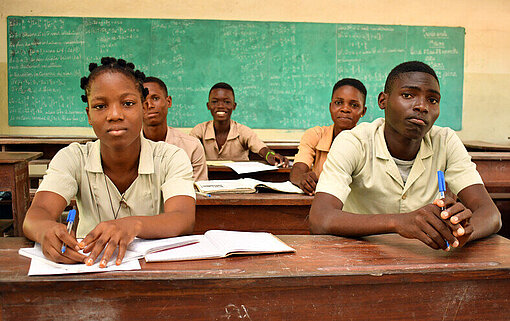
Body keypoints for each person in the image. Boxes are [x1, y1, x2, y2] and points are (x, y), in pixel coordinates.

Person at [23, 57, 196, 267]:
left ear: (143, 107)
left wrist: (134, 225)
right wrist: (45, 231)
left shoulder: (170, 158)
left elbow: (184, 218)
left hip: (153, 271)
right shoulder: (73, 158)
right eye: (100, 106)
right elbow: (36, 215)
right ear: (88, 114)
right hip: (89, 268)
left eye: (128, 104)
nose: (114, 115)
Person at [309, 61, 501, 250]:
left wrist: (462, 232)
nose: (422, 107)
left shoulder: (445, 141)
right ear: (383, 101)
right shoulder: (354, 142)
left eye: (432, 100)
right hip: (360, 255)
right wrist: (398, 222)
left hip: (425, 258)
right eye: (408, 95)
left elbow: (491, 214)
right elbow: (320, 218)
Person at [290, 78, 367, 195]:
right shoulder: (316, 135)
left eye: (354, 105)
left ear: (363, 111)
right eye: (338, 103)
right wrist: (302, 179)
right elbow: (298, 170)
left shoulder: (367, 139)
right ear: (330, 107)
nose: (345, 109)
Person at [190, 82, 289, 167]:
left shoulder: (242, 131)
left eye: (227, 102)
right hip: (208, 182)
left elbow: (262, 149)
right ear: (208, 106)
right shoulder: (199, 130)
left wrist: (271, 154)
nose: (220, 106)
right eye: (215, 102)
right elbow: (187, 151)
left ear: (234, 106)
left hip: (239, 183)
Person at [142, 76, 208, 181]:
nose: (149, 105)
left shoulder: (192, 146)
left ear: (168, 102)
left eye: (155, 98)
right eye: (143, 100)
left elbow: (199, 192)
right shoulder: (128, 146)